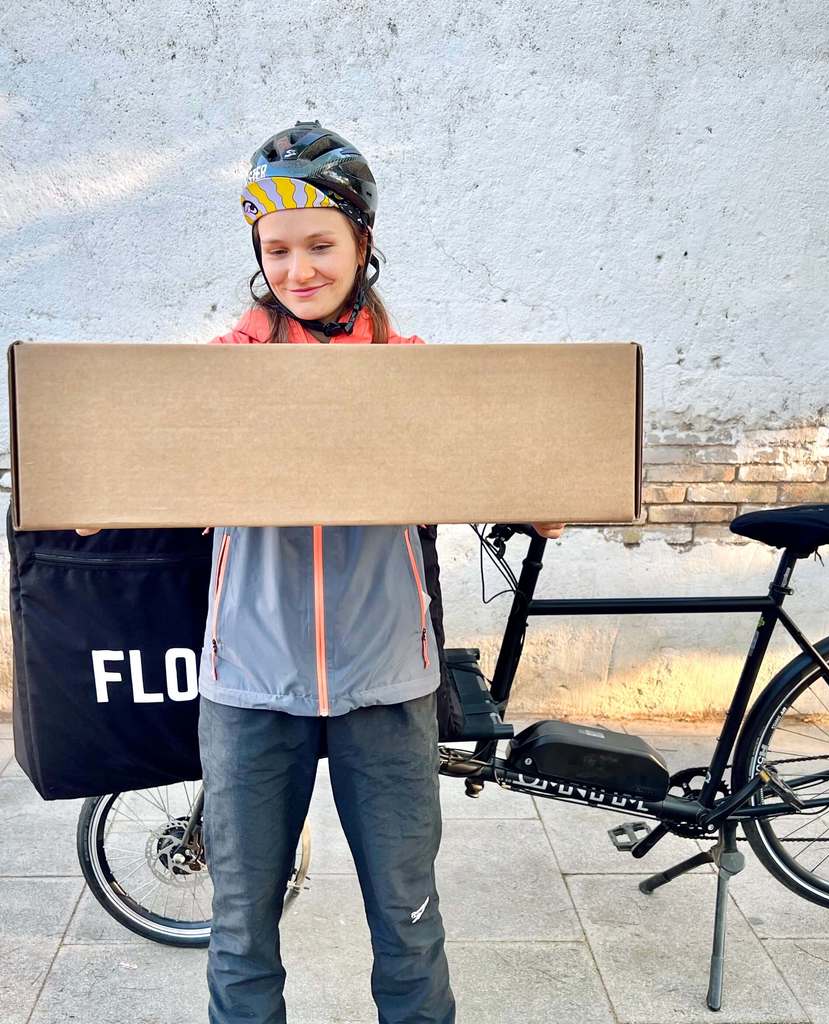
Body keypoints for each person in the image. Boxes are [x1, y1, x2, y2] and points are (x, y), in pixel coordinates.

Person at [77, 120, 564, 1024]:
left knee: (408, 923)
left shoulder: (411, 374)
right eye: (277, 249)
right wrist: (97, 486)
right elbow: (128, 454)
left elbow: (511, 461)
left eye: (320, 244)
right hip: (251, 685)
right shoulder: (225, 372)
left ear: (361, 244)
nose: (299, 269)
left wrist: (538, 490)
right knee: (242, 931)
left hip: (388, 681)